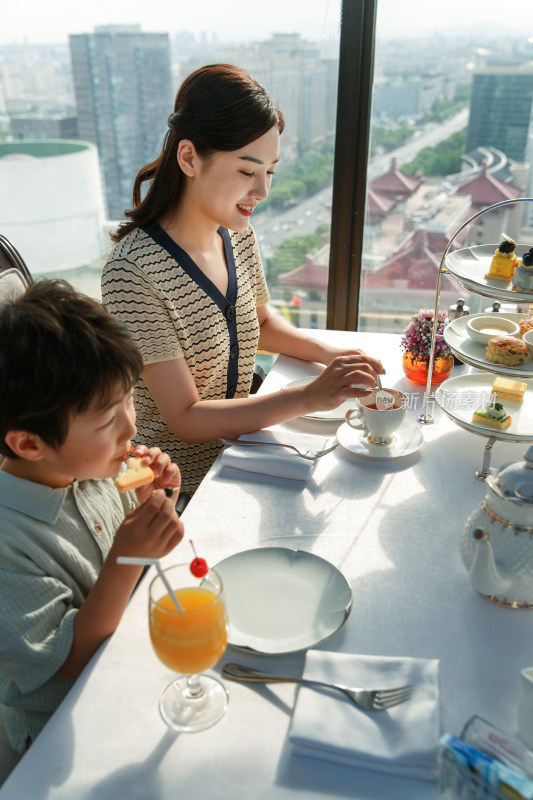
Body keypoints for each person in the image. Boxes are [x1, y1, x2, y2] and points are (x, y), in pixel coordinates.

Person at [102, 63, 385, 498]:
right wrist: (311, 396)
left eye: (270, 171)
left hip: (244, 452)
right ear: (190, 158)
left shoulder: (235, 234)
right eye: (247, 171)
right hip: (179, 488)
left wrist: (331, 355)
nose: (263, 191)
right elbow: (186, 417)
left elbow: (262, 323)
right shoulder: (132, 272)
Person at [0, 280, 184, 754]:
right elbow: (69, 660)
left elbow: (139, 544)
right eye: (107, 420)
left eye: (128, 398)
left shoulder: (95, 466)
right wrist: (127, 556)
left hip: (129, 668)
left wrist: (156, 499)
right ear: (28, 443)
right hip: (63, 728)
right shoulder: (7, 537)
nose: (132, 425)